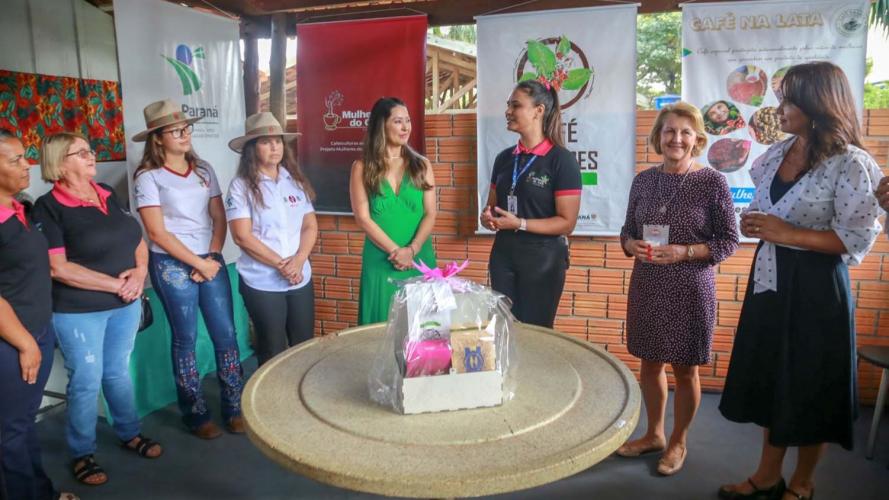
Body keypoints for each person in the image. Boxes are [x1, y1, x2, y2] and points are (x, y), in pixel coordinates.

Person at [718, 62, 883, 500]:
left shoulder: (850, 162)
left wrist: (787, 233)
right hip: (770, 279)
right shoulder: (776, 152)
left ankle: (804, 482)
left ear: (816, 104)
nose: (780, 107)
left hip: (816, 289)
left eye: (789, 99)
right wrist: (758, 224)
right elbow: (772, 213)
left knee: (812, 386)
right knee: (777, 380)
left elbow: (855, 240)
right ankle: (767, 475)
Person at [31, 132, 162, 486]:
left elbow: (136, 238)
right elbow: (58, 268)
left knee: (118, 372)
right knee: (87, 380)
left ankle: (129, 432)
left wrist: (140, 272)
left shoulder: (106, 192)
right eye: (82, 152)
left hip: (125, 304)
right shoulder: (48, 207)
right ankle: (82, 452)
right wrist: (118, 286)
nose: (92, 156)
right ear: (59, 163)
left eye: (91, 150)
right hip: (78, 311)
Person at [616, 102, 738, 476]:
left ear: (697, 139)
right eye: (669, 130)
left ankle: (678, 441)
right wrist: (630, 245)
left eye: (686, 132)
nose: (677, 138)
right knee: (649, 363)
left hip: (690, 288)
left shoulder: (712, 181)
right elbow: (626, 231)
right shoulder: (643, 181)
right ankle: (653, 434)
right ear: (658, 136)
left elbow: (729, 241)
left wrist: (685, 251)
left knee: (686, 370)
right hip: (648, 283)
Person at [132, 99, 245, 439]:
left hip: (209, 258)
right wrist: (197, 263)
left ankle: (234, 407)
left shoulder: (204, 169)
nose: (185, 134)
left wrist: (210, 258)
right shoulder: (147, 177)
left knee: (226, 334)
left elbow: (218, 217)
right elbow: (156, 232)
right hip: (171, 262)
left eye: (186, 128)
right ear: (158, 138)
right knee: (186, 338)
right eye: (176, 130)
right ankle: (195, 414)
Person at [0, 131, 77, 500]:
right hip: (14, 340)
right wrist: (25, 343)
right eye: (13, 160)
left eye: (24, 156)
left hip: (36, 330)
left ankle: (40, 492)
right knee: (11, 432)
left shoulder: (21, 207)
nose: (25, 165)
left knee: (22, 423)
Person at [479, 80, 581, 328]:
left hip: (543, 260)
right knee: (504, 329)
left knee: (536, 335)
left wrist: (520, 223)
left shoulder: (561, 160)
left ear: (539, 111)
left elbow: (567, 223)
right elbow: (491, 206)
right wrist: (488, 217)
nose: (508, 111)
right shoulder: (504, 158)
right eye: (508, 105)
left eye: (516, 105)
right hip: (503, 255)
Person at [226, 112, 317, 364]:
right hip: (262, 282)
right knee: (272, 351)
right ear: (251, 148)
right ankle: (268, 403)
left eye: (277, 140)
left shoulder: (294, 181)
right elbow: (241, 236)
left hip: (300, 277)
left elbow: (309, 225)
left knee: (304, 346)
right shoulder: (241, 186)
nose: (274, 146)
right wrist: (282, 265)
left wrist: (298, 261)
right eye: (266, 142)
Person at [351, 97, 437, 324]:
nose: (406, 127)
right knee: (379, 330)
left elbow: (430, 213)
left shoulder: (422, 165)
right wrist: (396, 251)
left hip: (419, 258)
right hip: (381, 261)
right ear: (382, 125)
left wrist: (412, 249)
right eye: (398, 121)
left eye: (408, 121)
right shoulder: (362, 167)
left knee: (424, 329)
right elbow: (362, 218)